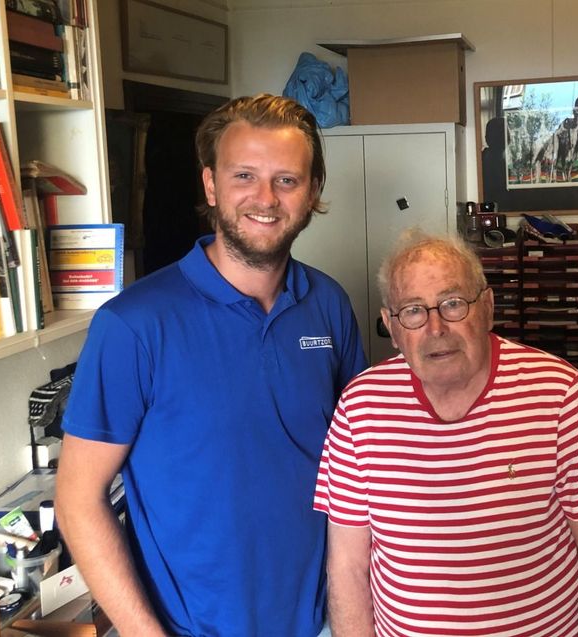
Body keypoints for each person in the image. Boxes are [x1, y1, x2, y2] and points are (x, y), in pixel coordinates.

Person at [55, 94, 368, 637]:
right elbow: (78, 501)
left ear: (313, 191)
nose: (264, 198)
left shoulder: (328, 304)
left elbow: (363, 461)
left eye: (287, 180)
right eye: (244, 175)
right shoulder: (133, 325)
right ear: (210, 185)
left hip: (323, 621)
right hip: (192, 628)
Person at [314, 231, 578, 636]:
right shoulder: (360, 407)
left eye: (453, 304)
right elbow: (348, 569)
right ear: (391, 326)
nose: (436, 328)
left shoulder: (557, 392)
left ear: (488, 308)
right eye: (413, 312)